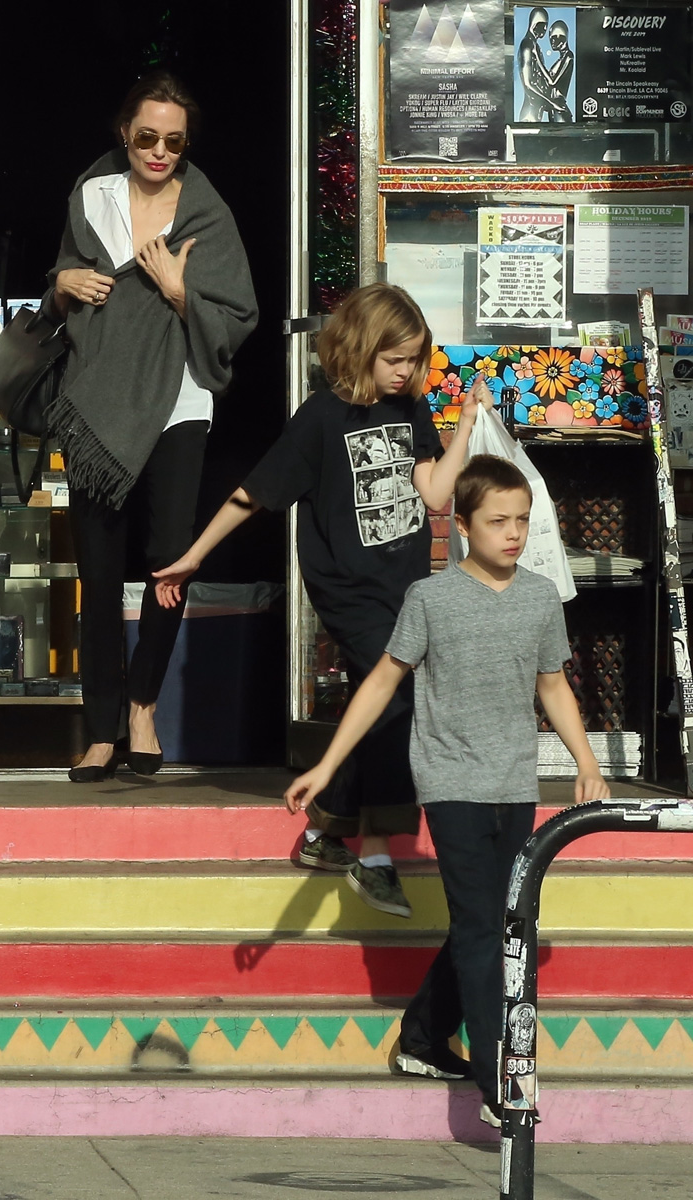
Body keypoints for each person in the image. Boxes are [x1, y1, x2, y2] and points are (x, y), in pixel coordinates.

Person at [283, 454, 610, 1127]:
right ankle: (499, 1082)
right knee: (489, 926)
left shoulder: (540, 597)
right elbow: (381, 681)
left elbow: (553, 685)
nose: (513, 533)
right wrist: (325, 765)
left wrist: (586, 760)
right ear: (463, 526)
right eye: (498, 521)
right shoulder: (429, 599)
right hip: (451, 780)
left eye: (521, 521)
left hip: (515, 782)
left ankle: (425, 1037)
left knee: (488, 921)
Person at [155, 283, 484, 918]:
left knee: (388, 703)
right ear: (361, 350)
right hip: (347, 588)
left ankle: (327, 833)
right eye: (395, 359)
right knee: (396, 701)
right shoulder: (321, 418)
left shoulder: (412, 410)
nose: (406, 371)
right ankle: (378, 853)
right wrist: (196, 554)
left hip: (406, 587)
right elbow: (254, 493)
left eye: (415, 360)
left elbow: (438, 495)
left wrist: (464, 424)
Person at [44, 71, 258, 782]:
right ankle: (101, 728)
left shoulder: (206, 215)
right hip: (99, 403)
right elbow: (68, 277)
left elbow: (236, 314)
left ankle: (142, 707)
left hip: (178, 402)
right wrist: (62, 283)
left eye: (173, 141)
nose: (159, 151)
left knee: (170, 564)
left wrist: (176, 290)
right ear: (124, 135)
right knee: (99, 575)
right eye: (147, 137)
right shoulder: (92, 196)